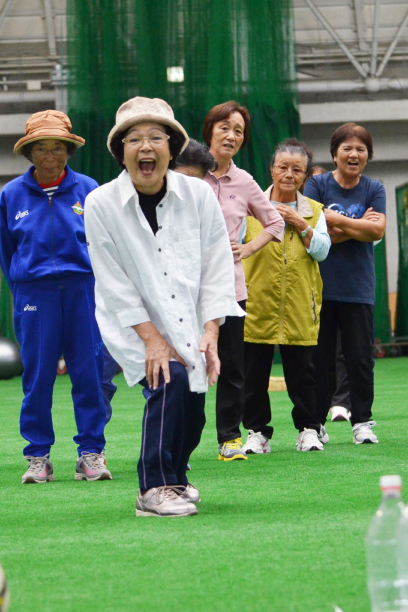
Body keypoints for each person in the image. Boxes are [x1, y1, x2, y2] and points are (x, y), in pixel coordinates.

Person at [85, 97, 242, 517]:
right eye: (134, 139)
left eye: (156, 137)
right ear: (121, 152)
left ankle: (175, 475)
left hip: (190, 316)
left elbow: (216, 264)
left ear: (172, 147)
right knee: (167, 379)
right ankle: (151, 488)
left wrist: (210, 330)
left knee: (193, 404)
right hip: (131, 320)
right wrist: (153, 340)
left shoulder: (198, 196)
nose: (146, 147)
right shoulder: (100, 203)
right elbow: (112, 280)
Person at [0, 110, 110, 484]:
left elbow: (104, 243)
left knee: (89, 373)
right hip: (34, 294)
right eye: (41, 149)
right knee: (38, 377)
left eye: (58, 148)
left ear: (68, 151)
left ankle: (91, 453)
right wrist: (26, 283)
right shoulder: (11, 195)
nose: (50, 156)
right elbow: (4, 251)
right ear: (29, 153)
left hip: (83, 290)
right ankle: (38, 456)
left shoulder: (89, 189)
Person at [202, 101, 284, 461]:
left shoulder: (245, 181)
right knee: (187, 364)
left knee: (234, 366)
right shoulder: (186, 173)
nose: (231, 136)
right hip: (186, 288)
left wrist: (248, 249)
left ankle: (229, 439)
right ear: (209, 131)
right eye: (224, 128)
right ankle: (180, 438)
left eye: (238, 130)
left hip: (230, 287)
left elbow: (276, 223)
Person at [241, 139, 331, 454]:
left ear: (305, 176)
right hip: (257, 302)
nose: (289, 174)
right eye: (283, 167)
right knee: (253, 375)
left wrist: (297, 222)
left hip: (299, 304)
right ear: (272, 170)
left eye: (297, 169)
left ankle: (308, 429)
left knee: (303, 373)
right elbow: (236, 244)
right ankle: (256, 432)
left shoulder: (314, 210)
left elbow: (322, 251)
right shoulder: (250, 206)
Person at [305, 123, 386, 445]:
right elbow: (311, 230)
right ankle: (315, 424)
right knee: (319, 362)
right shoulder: (316, 183)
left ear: (368, 155)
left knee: (360, 360)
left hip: (358, 289)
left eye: (361, 149)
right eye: (347, 148)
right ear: (334, 153)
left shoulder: (374, 188)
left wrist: (332, 222)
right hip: (319, 289)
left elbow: (377, 232)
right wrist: (358, 225)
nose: (354, 154)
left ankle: (362, 422)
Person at [309, 162, 351, 420]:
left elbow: (375, 233)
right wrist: (355, 227)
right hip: (312, 290)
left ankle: (342, 403)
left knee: (345, 349)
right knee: (318, 352)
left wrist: (342, 224)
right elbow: (316, 238)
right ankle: (319, 407)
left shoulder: (340, 204)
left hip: (346, 287)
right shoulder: (307, 209)